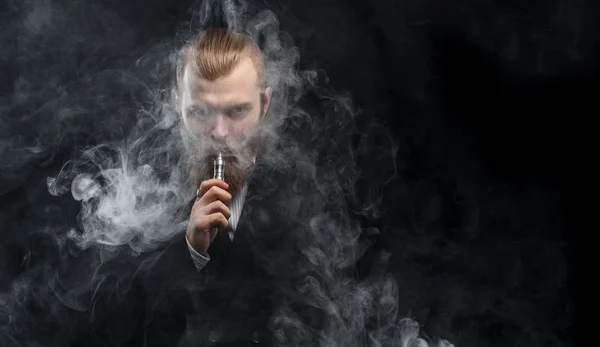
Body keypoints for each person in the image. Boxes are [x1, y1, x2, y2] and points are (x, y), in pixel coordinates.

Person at [87, 28, 384, 347]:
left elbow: (333, 320)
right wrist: (191, 252)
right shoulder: (138, 191)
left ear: (264, 104)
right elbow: (112, 324)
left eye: (237, 111)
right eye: (201, 112)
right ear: (177, 104)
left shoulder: (311, 194)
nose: (220, 133)